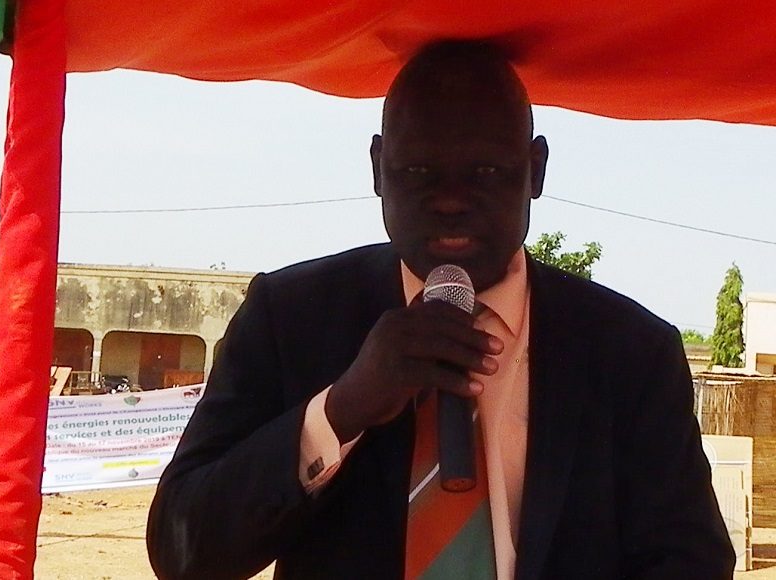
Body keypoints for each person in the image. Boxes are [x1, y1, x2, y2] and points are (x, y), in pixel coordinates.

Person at [146, 40, 734, 580]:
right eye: (418, 173)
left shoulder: (630, 352)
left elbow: (691, 561)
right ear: (377, 168)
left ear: (535, 170)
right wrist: (341, 410)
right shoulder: (290, 318)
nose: (451, 201)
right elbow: (182, 550)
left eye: (485, 173)